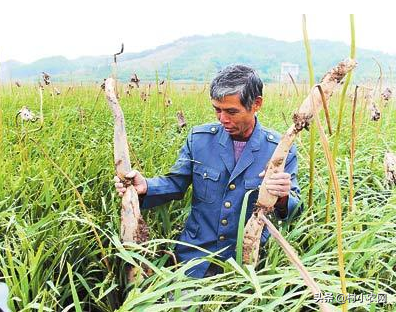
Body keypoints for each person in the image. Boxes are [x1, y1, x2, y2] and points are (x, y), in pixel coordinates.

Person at [114, 64, 302, 278]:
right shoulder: (200, 139)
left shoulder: (279, 149)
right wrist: (145, 186)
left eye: (231, 111)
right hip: (194, 258)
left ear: (256, 104)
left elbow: (293, 210)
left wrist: (282, 197)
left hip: (246, 263)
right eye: (217, 109)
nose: (222, 119)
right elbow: (176, 184)